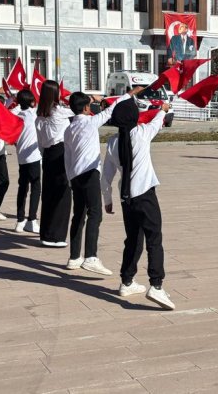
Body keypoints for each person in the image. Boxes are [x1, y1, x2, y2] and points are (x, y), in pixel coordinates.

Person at [101, 97, 175, 310]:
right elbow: (157, 121)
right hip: (145, 195)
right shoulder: (142, 134)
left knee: (133, 239)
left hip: (126, 199)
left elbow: (106, 176)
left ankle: (127, 280)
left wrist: (108, 200)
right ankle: (157, 285)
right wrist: (163, 108)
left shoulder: (113, 142)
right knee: (154, 238)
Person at [63, 89, 132, 275]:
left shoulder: (68, 129)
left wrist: (70, 178)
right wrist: (128, 95)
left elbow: (67, 158)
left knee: (78, 215)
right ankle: (91, 257)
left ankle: (74, 257)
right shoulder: (91, 122)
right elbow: (111, 110)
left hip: (76, 176)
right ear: (86, 108)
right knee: (95, 214)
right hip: (90, 173)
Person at [36, 80, 74, 248]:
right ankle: (56, 236)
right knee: (63, 195)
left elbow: (39, 142)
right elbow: (79, 109)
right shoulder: (58, 112)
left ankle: (46, 232)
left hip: (48, 155)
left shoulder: (40, 115)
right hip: (60, 152)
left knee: (49, 194)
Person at [12, 89, 42, 233]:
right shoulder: (33, 114)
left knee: (22, 188)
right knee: (36, 188)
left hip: (21, 157)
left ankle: (20, 220)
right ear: (32, 102)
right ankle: (32, 219)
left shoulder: (15, 115)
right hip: (34, 156)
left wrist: (18, 103)